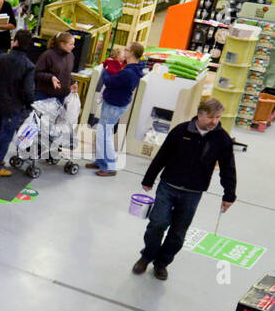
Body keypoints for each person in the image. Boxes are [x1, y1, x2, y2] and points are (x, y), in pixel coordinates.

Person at [134, 97, 236, 281]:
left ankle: (162, 263)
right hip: (168, 187)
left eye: (218, 117)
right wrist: (149, 178)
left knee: (178, 233)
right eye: (211, 117)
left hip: (193, 193)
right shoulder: (180, 131)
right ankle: (147, 256)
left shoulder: (222, 139)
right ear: (200, 114)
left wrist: (229, 194)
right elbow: (162, 156)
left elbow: (228, 167)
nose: (214, 121)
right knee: (157, 224)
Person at [90, 42, 148, 177]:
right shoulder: (132, 68)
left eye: (127, 49)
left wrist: (106, 69)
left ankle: (110, 167)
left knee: (105, 135)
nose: (124, 51)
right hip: (115, 102)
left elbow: (110, 82)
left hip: (114, 105)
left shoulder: (129, 72)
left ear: (132, 53)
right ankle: (101, 161)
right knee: (102, 132)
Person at [0, 29, 36, 178]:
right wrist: (29, 104)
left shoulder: (1, 58)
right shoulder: (28, 66)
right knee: (6, 135)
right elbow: (28, 90)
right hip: (14, 105)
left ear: (16, 42)